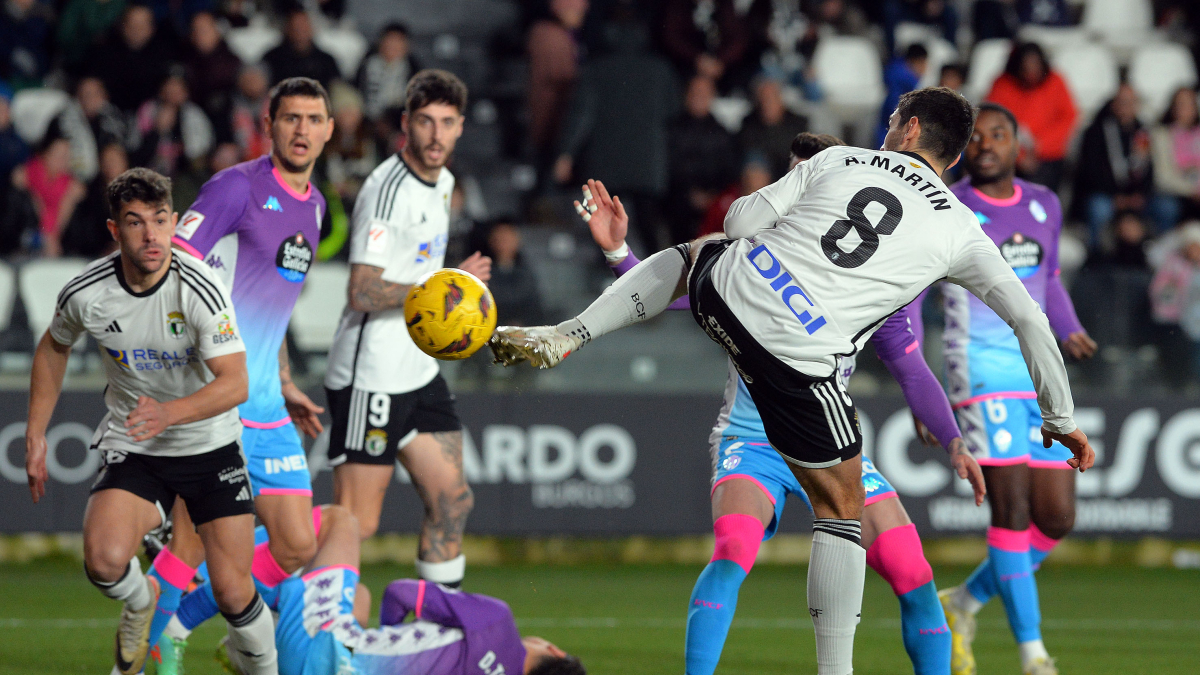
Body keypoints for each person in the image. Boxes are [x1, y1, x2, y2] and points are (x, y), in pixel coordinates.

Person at [490, 87, 1095, 675]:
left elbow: (739, 217)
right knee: (842, 511)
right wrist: (1060, 416)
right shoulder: (962, 229)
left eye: (893, 120)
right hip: (799, 366)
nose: (886, 128)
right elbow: (1028, 319)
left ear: (909, 128)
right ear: (955, 156)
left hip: (730, 292)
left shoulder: (838, 158)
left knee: (701, 248)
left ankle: (567, 333)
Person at [575, 132, 985, 675]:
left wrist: (954, 440)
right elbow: (662, 291)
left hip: (829, 444)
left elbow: (910, 364)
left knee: (913, 574)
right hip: (754, 440)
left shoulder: (878, 277)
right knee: (733, 551)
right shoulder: (746, 252)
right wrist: (617, 252)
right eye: (792, 175)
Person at [24, 168, 278, 675]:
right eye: (136, 223)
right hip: (138, 446)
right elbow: (54, 345)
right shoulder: (87, 292)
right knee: (103, 561)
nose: (152, 235)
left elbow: (236, 383)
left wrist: (169, 413)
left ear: (175, 221)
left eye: (161, 221)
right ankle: (142, 600)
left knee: (232, 591)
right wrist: (35, 432)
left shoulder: (201, 287)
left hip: (210, 446)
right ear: (115, 231)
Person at [148, 77, 334, 665]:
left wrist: (280, 381)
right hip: (215, 402)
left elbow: (273, 304)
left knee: (297, 543)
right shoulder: (237, 187)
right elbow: (175, 267)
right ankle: (143, 656)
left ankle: (181, 621)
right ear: (269, 124)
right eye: (291, 119)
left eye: (313, 119)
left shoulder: (317, 206)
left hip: (267, 408)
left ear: (330, 129)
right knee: (187, 543)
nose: (301, 130)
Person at [936, 103, 1096, 675]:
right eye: (976, 137)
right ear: (962, 148)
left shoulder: (1043, 203)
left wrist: (1069, 324)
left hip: (1037, 369)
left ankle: (965, 600)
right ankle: (1033, 654)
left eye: (998, 135)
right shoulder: (948, 204)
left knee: (1054, 519)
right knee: (1011, 509)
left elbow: (1048, 276)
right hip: (980, 373)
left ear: (1017, 145)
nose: (986, 145)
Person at [324, 70, 490, 589]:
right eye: (425, 122)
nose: (436, 135)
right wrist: (442, 286)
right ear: (405, 124)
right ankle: (277, 610)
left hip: (417, 368)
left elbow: (425, 280)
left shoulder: (443, 183)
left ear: (461, 126)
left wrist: (449, 284)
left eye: (446, 122)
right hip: (369, 373)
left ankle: (435, 636)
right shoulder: (387, 188)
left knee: (452, 500)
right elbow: (362, 290)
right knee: (356, 522)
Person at [205, 504, 584, 675]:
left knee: (340, 523)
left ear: (553, 649)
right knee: (359, 598)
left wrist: (388, 634)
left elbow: (402, 592)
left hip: (319, 652)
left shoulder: (497, 623)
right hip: (320, 660)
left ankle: (206, 573)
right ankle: (251, 648)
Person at [1075, 83, 1174, 247]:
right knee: (1098, 208)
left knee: (1166, 208)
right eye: (1122, 102)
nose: (1126, 107)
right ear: (1113, 104)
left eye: (1131, 102)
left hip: (1138, 196)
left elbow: (1150, 168)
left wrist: (1142, 195)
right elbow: (1089, 171)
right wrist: (1116, 197)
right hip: (1107, 195)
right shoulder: (1096, 131)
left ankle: (1161, 254)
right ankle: (1094, 253)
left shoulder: (1143, 133)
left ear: (1137, 105)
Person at [985, 43, 1076, 191]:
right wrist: (1020, 156)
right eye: (1026, 67)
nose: (1031, 72)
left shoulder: (1055, 81)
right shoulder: (1003, 84)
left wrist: (1040, 146)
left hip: (1047, 157)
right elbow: (993, 123)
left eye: (1035, 65)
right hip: (1009, 158)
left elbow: (1068, 117)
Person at [1151, 87, 1200, 224]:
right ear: (1172, 107)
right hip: (1175, 193)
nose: (1184, 108)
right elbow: (1162, 177)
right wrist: (1192, 191)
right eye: (1180, 104)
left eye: (1189, 103)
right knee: (1166, 207)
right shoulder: (1161, 135)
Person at [263, 8, 342, 91]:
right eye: (296, 27)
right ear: (287, 29)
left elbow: (337, 86)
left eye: (303, 27)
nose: (300, 32)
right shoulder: (273, 58)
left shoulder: (326, 60)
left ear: (311, 29)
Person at [358, 22, 421, 123]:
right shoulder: (367, 64)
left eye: (398, 41)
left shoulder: (413, 69)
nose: (393, 45)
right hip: (367, 118)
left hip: (399, 120)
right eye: (390, 40)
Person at [877, 44, 928, 148]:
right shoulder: (908, 79)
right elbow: (895, 107)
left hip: (883, 128)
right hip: (892, 130)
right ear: (918, 61)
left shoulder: (893, 70)